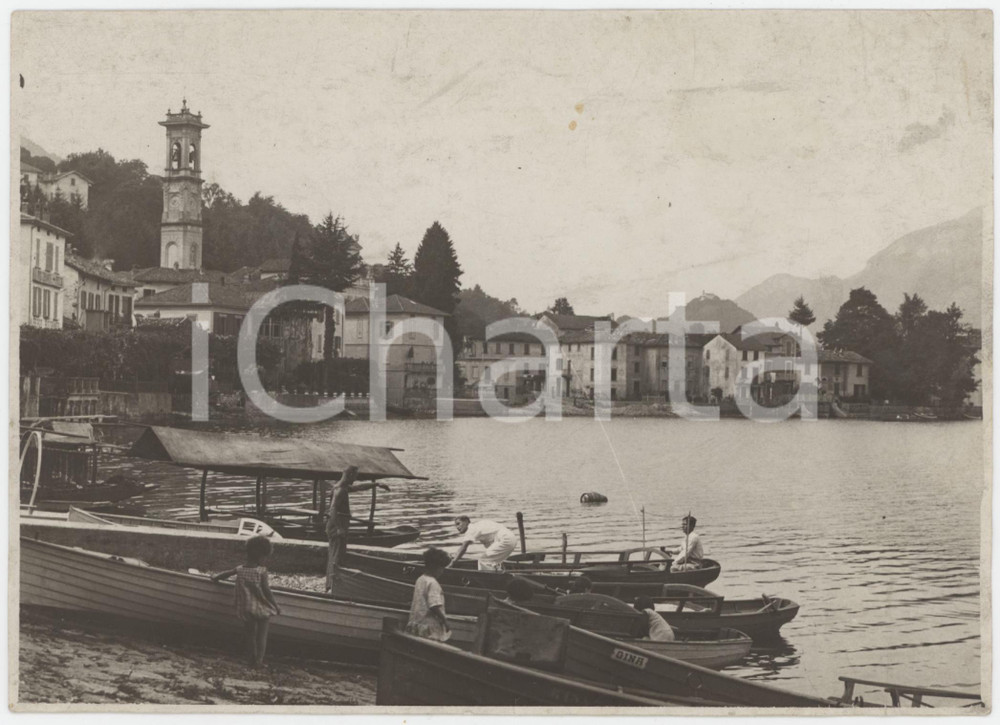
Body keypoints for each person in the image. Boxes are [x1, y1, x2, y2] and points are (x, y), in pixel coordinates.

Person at [211, 535, 282, 668]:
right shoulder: (261, 571)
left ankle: (251, 660)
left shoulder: (240, 569)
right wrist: (276, 606)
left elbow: (225, 574)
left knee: (250, 635)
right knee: (261, 636)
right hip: (261, 608)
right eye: (265, 557)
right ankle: (259, 662)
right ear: (261, 556)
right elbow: (267, 591)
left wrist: (215, 578)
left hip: (246, 608)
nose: (265, 560)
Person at [325, 465, 389, 591]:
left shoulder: (341, 487)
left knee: (335, 554)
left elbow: (359, 487)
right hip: (337, 527)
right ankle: (333, 586)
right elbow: (333, 509)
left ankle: (331, 584)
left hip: (337, 525)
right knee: (337, 555)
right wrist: (339, 528)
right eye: (355, 476)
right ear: (349, 475)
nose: (355, 479)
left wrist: (376, 484)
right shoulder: (340, 490)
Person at [405, 547, 452, 642]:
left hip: (417, 622)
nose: (442, 572)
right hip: (429, 626)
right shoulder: (433, 583)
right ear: (436, 567)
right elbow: (434, 605)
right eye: (442, 568)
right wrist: (445, 621)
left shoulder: (420, 579)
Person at [452, 516, 517, 571]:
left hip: (505, 539)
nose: (457, 527)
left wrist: (452, 563)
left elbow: (463, 548)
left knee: (483, 560)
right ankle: (498, 574)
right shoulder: (479, 526)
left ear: (466, 521)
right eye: (455, 525)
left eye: (458, 524)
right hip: (511, 538)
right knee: (492, 561)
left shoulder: (471, 529)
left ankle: (490, 581)